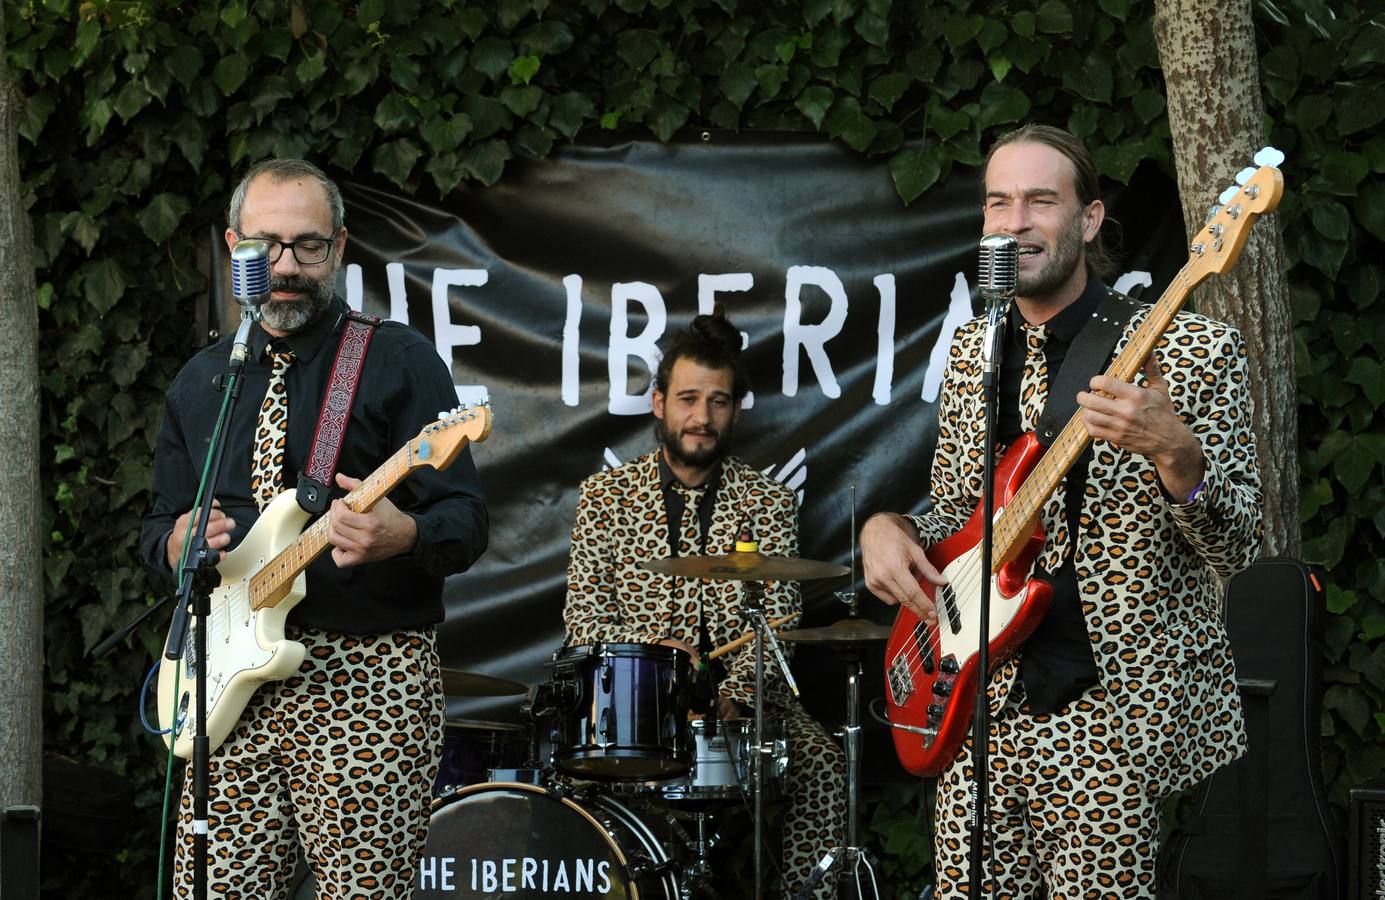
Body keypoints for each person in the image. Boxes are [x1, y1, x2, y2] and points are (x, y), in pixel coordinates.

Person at [860, 124, 1263, 896]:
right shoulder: (973, 350)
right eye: (997, 202)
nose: (1013, 221)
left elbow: (1237, 550)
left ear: (1089, 219)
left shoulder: (1192, 351)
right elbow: (955, 519)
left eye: (1040, 200)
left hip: (1112, 715)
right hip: (980, 704)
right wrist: (890, 529)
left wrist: (1176, 456)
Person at [140, 158, 488, 899]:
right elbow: (155, 528)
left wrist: (405, 534)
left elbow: (465, 518)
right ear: (234, 249)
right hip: (229, 679)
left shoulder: (396, 359)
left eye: (308, 246)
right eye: (264, 247)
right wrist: (176, 543)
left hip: (366, 678)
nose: (286, 267)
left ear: (340, 247)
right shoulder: (202, 381)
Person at [563, 313, 845, 899]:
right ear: (658, 403)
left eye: (719, 402)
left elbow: (780, 621)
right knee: (578, 768)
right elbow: (584, 617)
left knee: (820, 764)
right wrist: (652, 662)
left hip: (740, 705)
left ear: (737, 409)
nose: (702, 417)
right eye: (688, 399)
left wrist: (733, 696)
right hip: (632, 703)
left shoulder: (767, 501)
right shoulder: (605, 498)